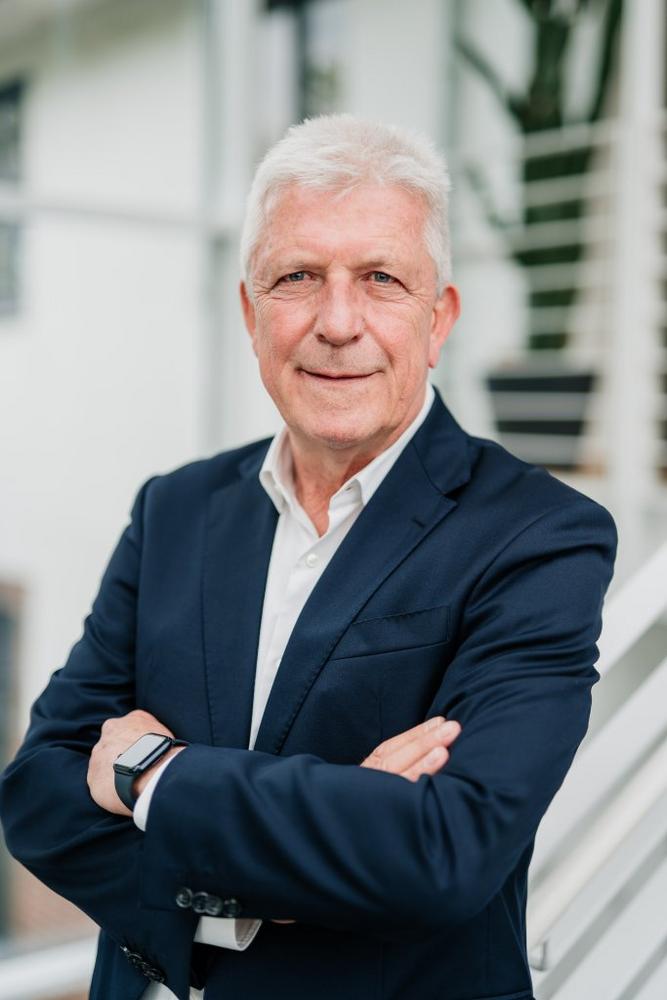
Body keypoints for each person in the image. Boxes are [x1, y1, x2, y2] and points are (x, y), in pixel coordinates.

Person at [0, 115, 616, 1000]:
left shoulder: (539, 536)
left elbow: (444, 851)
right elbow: (38, 794)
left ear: (437, 319)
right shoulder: (174, 509)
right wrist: (319, 843)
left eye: (380, 279)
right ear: (250, 314)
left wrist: (150, 774)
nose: (336, 322)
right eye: (297, 277)